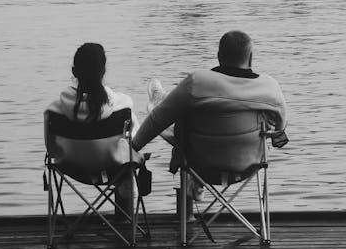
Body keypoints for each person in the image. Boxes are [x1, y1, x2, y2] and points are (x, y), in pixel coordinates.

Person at [131, 30, 288, 206]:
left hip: (200, 165)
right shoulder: (269, 87)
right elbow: (280, 128)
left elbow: (156, 121)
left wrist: (134, 146)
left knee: (174, 117)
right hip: (248, 166)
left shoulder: (198, 82)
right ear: (250, 58)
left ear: (219, 56)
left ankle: (160, 100)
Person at [45, 42, 141, 218]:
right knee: (131, 140)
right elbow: (136, 141)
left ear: (74, 72)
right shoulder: (123, 106)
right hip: (114, 167)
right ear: (103, 71)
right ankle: (127, 209)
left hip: (71, 168)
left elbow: (51, 149)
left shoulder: (53, 111)